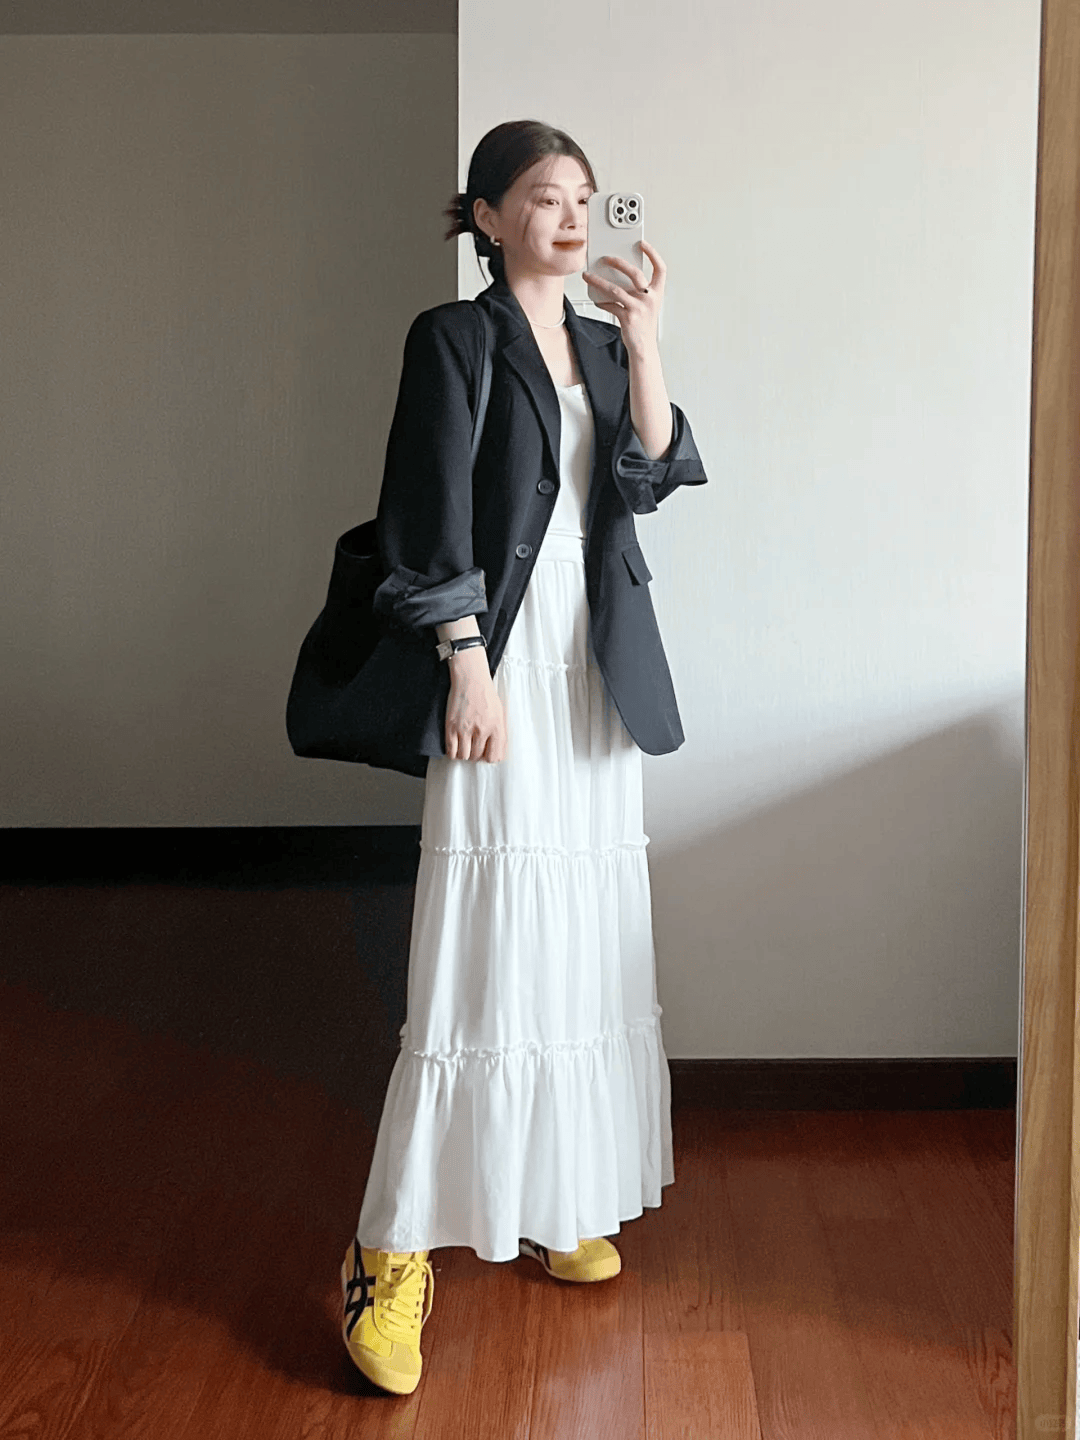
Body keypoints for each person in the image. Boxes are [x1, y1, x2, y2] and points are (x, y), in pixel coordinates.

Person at [340, 119, 709, 1396]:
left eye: (584, 196)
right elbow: (425, 509)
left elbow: (650, 478)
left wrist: (646, 344)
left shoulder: (604, 345)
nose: (570, 214)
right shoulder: (452, 338)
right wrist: (464, 663)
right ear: (488, 218)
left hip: (594, 668)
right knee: (479, 947)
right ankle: (389, 1256)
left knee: (584, 934)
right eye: (544, 197)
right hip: (499, 658)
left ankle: (559, 1197)